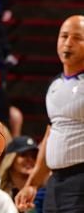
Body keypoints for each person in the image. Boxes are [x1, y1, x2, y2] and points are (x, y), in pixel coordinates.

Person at [15, 15, 84, 213]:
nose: (68, 43)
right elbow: (50, 135)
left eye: (77, 38)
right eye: (64, 36)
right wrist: (33, 183)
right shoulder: (55, 84)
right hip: (56, 181)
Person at [0, 136, 45, 213]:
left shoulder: (43, 192)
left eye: (34, 156)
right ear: (11, 159)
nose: (30, 159)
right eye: (23, 155)